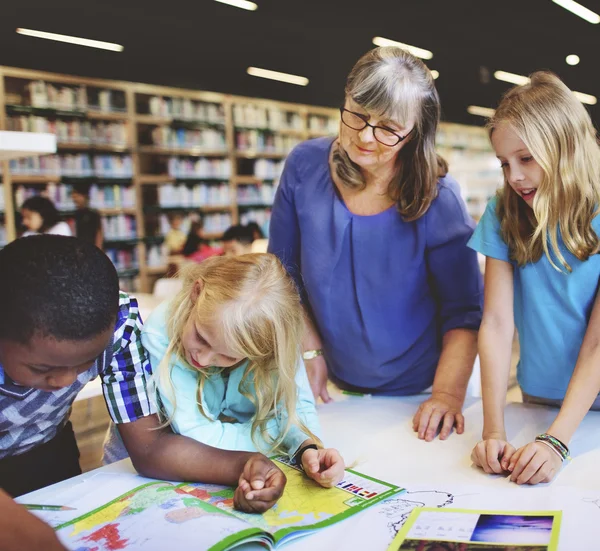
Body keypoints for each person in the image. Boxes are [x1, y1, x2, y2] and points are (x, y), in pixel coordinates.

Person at [0, 236, 287, 551]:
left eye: (84, 365)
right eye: (42, 369)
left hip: (46, 453)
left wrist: (243, 465)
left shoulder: (119, 325)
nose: (66, 381)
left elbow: (150, 447)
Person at [268, 46, 483, 442]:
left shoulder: (439, 197)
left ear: (416, 131)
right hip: (331, 386)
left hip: (423, 394)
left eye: (388, 127)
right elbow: (282, 272)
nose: (366, 136)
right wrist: (310, 350)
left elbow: (464, 313)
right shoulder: (304, 165)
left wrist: (446, 396)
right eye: (358, 116)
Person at [469, 72, 600, 485]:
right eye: (504, 163)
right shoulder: (504, 209)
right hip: (537, 394)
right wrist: (493, 430)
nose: (514, 177)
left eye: (526, 159)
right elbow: (496, 322)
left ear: (565, 146)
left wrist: (558, 441)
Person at [144, 254, 345, 489]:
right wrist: (279, 433)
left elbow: (295, 408)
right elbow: (197, 436)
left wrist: (308, 448)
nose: (203, 358)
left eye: (229, 355)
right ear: (196, 293)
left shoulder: (273, 339)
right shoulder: (160, 331)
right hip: (133, 468)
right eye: (201, 336)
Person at [71, 183, 103, 248]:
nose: (75, 200)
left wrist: (98, 250)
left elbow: (99, 234)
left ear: (84, 196)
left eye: (77, 197)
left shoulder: (93, 214)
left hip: (92, 249)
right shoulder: (75, 214)